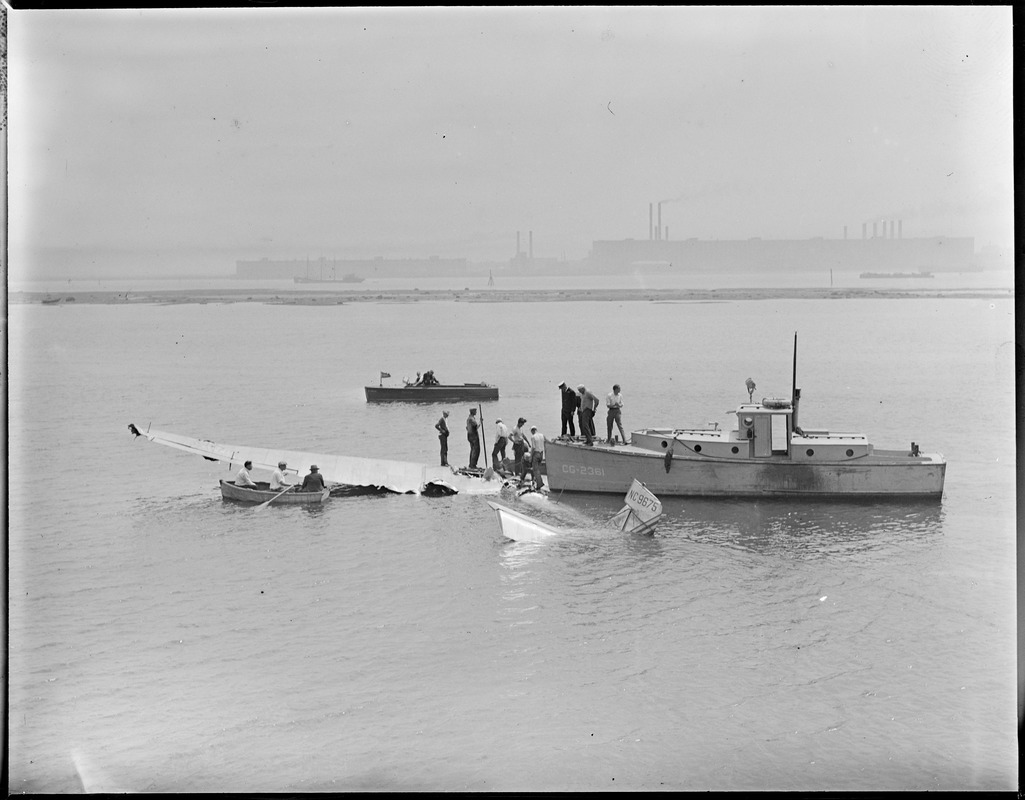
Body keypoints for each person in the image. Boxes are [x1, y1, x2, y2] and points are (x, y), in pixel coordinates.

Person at [529, 425, 546, 490]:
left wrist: (531, 456)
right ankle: (535, 481)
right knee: (537, 469)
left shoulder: (533, 437)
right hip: (541, 454)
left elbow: (533, 447)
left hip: (536, 454)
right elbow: (546, 442)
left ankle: (539, 484)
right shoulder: (542, 435)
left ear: (532, 431)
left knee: (535, 470)